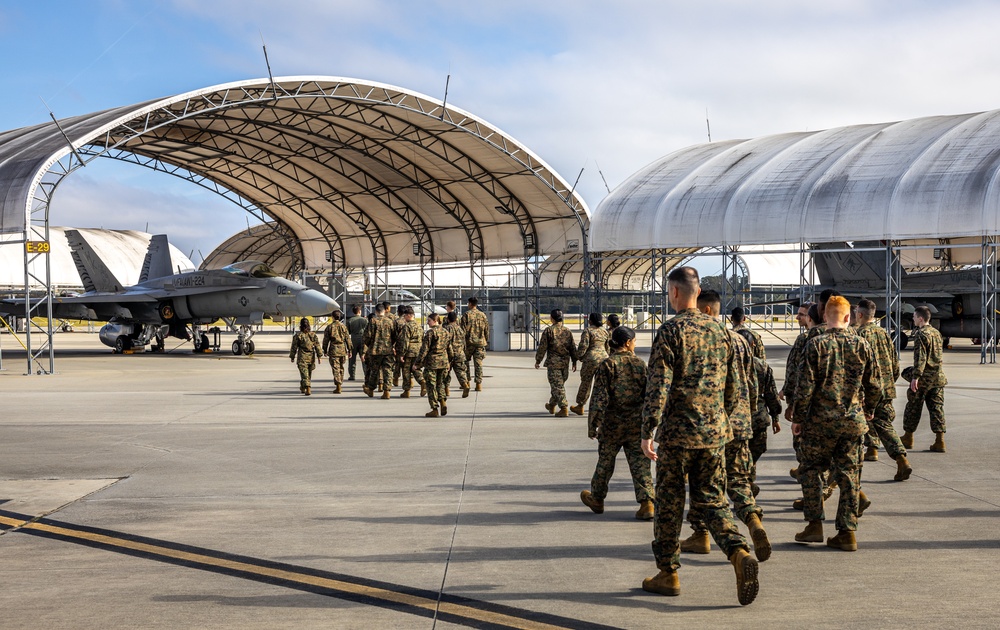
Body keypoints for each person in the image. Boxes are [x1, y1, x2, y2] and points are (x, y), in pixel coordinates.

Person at [640, 267, 759, 606]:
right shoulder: (721, 332)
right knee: (713, 500)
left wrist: (648, 429)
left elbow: (658, 386)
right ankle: (738, 552)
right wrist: (719, 419)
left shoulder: (670, 331)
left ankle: (668, 573)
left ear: (675, 293)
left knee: (669, 505)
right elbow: (736, 387)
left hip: (678, 437)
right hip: (715, 434)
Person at [680, 290, 771, 563]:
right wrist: (748, 414)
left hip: (710, 427)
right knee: (740, 480)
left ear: (706, 310)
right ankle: (754, 521)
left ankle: (701, 534)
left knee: (704, 486)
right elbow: (752, 383)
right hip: (740, 423)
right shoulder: (740, 341)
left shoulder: (703, 338)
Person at [792, 296, 881, 552]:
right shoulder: (862, 345)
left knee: (810, 470)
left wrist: (798, 418)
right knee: (849, 475)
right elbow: (874, 385)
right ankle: (846, 532)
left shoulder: (815, 345)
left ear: (826, 315)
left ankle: (814, 525)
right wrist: (869, 410)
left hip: (819, 423)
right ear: (847, 317)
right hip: (852, 422)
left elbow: (804, 388)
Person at [580, 326, 655, 520]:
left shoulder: (607, 365)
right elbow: (650, 397)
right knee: (640, 464)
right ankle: (647, 503)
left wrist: (593, 424)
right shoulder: (640, 364)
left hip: (611, 424)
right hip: (635, 425)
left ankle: (597, 498)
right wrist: (650, 426)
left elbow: (599, 398)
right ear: (628, 342)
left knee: (605, 462)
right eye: (635, 341)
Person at [854, 299, 911, 480]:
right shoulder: (884, 334)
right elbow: (894, 362)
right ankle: (873, 450)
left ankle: (900, 459)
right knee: (882, 422)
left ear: (860, 315)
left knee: (873, 423)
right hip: (886, 387)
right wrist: (889, 381)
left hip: (868, 388)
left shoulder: (859, 335)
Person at [902, 305, 949, 452]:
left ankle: (908, 437)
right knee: (937, 409)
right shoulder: (936, 333)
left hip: (924, 378)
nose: (913, 319)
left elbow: (920, 358)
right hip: (938, 377)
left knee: (913, 407)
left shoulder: (921, 334)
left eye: (914, 317)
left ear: (920, 319)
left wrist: (915, 377)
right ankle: (940, 441)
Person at [534, 308, 577, 417]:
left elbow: (542, 347)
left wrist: (538, 360)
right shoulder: (567, 331)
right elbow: (572, 347)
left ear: (552, 318)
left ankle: (563, 408)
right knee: (558, 386)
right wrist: (574, 361)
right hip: (565, 364)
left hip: (554, 364)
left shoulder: (549, 331)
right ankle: (551, 405)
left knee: (557, 387)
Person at [571, 312, 610, 415]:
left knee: (586, 383)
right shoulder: (605, 331)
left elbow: (583, 346)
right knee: (602, 384)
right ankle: (602, 406)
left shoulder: (588, 331)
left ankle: (580, 406)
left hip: (591, 359)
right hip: (604, 359)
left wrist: (579, 357)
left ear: (591, 320)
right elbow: (608, 347)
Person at [416, 312, 453, 417]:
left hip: (432, 363)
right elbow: (450, 349)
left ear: (435, 320)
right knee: (440, 384)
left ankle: (434, 409)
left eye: (429, 320)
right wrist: (449, 362)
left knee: (431, 386)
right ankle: (443, 402)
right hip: (444, 362)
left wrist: (418, 363)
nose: (427, 323)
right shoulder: (446, 332)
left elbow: (424, 350)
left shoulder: (430, 333)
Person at [363, 303, 396, 399]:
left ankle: (371, 389)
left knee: (374, 371)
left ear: (376, 311)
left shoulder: (373, 321)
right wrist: (390, 344)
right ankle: (386, 391)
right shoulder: (390, 321)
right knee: (387, 371)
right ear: (385, 311)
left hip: (375, 350)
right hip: (388, 350)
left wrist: (370, 345)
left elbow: (367, 336)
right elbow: (394, 336)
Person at [395, 306, 425, 398]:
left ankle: (406, 391)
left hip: (409, 352)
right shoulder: (419, 325)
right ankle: (423, 382)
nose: (404, 318)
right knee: (416, 369)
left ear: (408, 315)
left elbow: (405, 341)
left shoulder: (407, 326)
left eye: (405, 316)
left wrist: (402, 354)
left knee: (406, 371)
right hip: (418, 350)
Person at [462, 297, 490, 391]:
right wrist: (486, 340)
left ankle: (467, 383)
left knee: (465, 363)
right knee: (478, 364)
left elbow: (462, 330)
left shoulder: (466, 315)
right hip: (480, 343)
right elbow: (487, 329)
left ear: (470, 303)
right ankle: (478, 384)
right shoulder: (482, 315)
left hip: (469, 343)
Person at [289, 317, 321, 396]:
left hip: (302, 356)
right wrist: (319, 356)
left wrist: (292, 356)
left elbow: (294, 347)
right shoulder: (313, 335)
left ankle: (308, 388)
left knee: (304, 373)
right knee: (307, 373)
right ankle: (303, 386)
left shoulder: (298, 335)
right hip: (311, 357)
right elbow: (317, 346)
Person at [321, 310, 350, 394]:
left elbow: (326, 340)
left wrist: (325, 350)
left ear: (332, 317)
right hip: (342, 349)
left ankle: (338, 385)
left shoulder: (329, 327)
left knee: (335, 368)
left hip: (334, 349)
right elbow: (348, 339)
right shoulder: (343, 327)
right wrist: (350, 349)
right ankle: (340, 381)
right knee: (341, 367)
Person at [445, 311, 471, 398]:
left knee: (446, 373)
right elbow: (464, 342)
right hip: (460, 353)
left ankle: (446, 390)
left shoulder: (447, 329)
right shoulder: (460, 329)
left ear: (448, 319)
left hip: (450, 354)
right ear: (456, 319)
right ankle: (465, 385)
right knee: (461, 372)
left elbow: (446, 342)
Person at [346, 305, 368, 381]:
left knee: (352, 358)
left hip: (353, 339)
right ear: (359, 311)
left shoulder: (350, 320)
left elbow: (347, 332)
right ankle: (366, 374)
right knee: (364, 357)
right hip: (363, 339)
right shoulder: (365, 320)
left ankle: (352, 375)